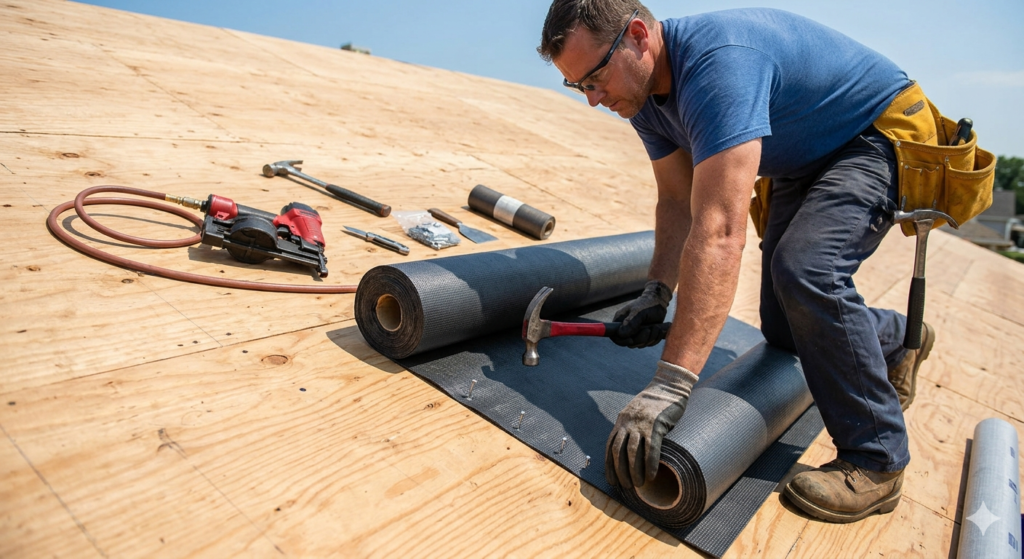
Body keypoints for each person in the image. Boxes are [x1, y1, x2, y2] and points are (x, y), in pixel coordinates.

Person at [537, 0, 936, 523]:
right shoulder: (640, 93)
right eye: (578, 86)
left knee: (806, 270)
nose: (592, 99)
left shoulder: (717, 66)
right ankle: (900, 338)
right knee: (785, 329)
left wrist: (670, 385)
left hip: (872, 136)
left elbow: (721, 231)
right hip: (801, 153)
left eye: (594, 77)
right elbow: (678, 201)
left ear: (638, 35)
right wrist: (658, 291)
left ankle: (878, 460)